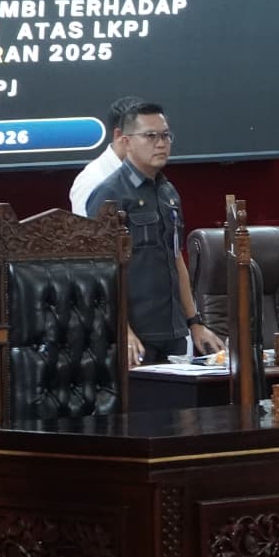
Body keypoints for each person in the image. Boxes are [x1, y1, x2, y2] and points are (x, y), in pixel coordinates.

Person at [86, 102, 223, 366]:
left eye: (165, 135)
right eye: (150, 136)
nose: (161, 144)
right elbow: (98, 271)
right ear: (126, 141)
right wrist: (122, 329)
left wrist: (194, 322)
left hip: (173, 331)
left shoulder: (168, 193)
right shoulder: (109, 194)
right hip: (134, 336)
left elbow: (176, 258)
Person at [69, 95, 144, 216]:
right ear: (119, 135)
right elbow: (84, 228)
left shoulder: (148, 176)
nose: (155, 143)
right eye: (145, 135)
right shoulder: (92, 180)